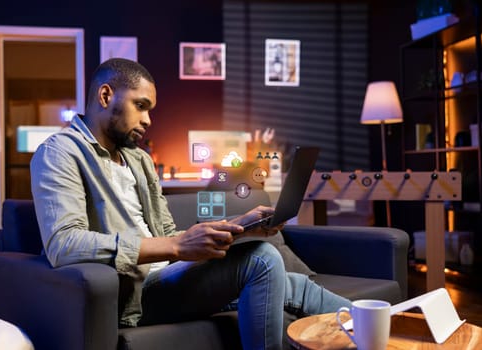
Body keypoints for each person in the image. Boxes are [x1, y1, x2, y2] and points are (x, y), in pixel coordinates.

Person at [30, 58, 351, 350]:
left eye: (150, 109)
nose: (148, 119)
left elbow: (170, 233)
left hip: (170, 277)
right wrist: (175, 245)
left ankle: (380, 324)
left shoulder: (139, 160)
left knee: (290, 282)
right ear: (105, 96)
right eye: (140, 106)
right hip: (135, 294)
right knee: (263, 260)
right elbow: (65, 243)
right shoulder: (61, 153)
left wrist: (240, 226)